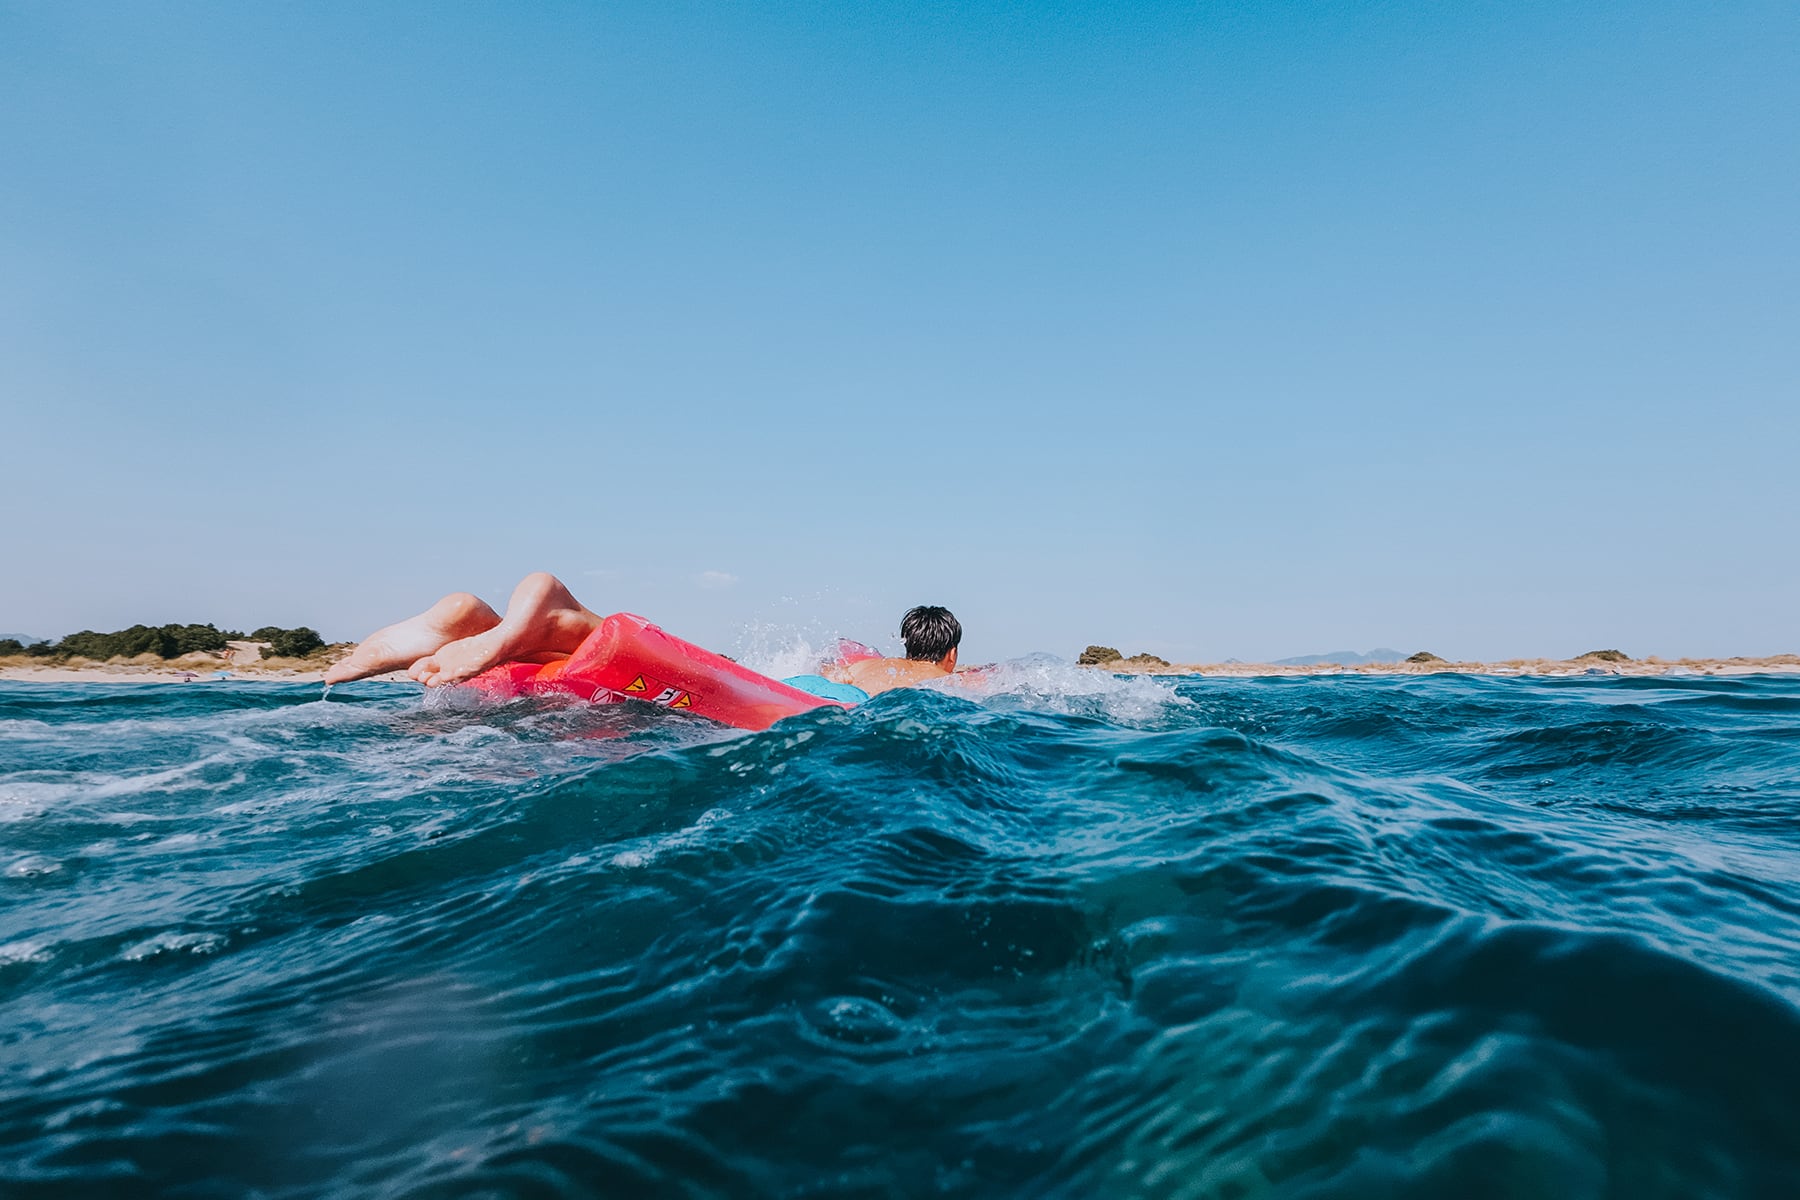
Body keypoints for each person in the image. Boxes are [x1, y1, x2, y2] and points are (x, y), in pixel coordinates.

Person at [323, 572, 962, 700]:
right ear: (952, 652)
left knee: (711, 668)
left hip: (803, 682)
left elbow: (828, 667)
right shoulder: (952, 681)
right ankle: (565, 615)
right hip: (804, 703)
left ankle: (474, 622)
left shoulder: (867, 661)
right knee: (699, 678)